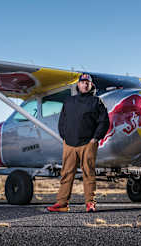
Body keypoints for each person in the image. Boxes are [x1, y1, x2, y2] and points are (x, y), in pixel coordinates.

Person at [47, 73, 110, 212]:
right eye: (82, 82)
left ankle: (90, 203)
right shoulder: (69, 101)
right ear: (78, 85)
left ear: (91, 85)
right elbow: (62, 121)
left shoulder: (96, 101)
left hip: (88, 143)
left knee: (88, 173)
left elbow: (104, 122)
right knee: (66, 174)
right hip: (69, 144)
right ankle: (62, 204)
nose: (85, 84)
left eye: (88, 82)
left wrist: (95, 139)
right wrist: (64, 136)